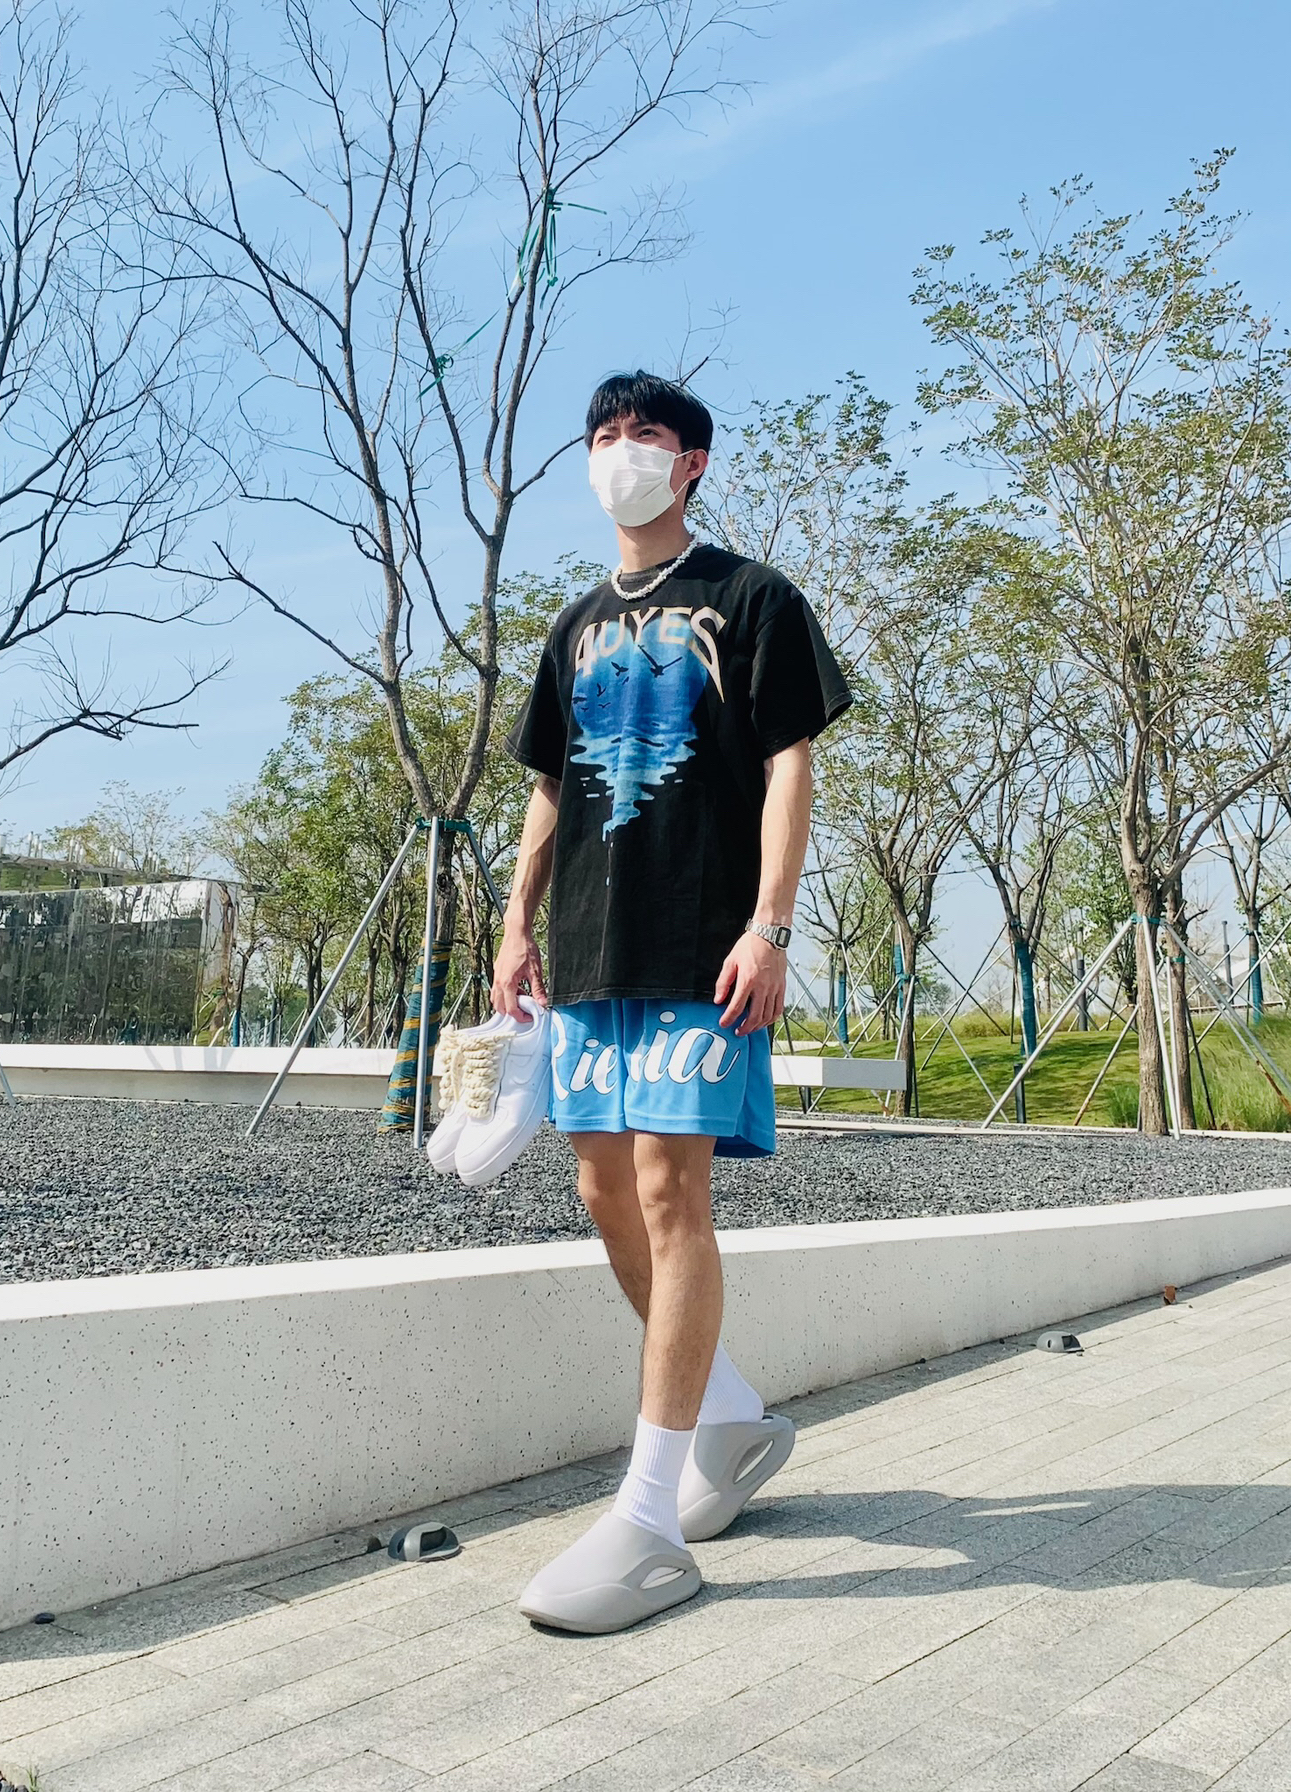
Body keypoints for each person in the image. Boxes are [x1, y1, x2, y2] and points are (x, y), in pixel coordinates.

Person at [493, 370, 850, 1634]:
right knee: (602, 1191)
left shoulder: (753, 597)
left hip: (706, 946)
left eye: (645, 434)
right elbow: (548, 784)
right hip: (589, 950)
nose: (621, 451)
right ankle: (732, 1412)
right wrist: (516, 922)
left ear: (692, 461)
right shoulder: (575, 621)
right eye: (603, 434)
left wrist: (771, 923)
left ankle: (647, 1516)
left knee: (666, 1188)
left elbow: (790, 762)